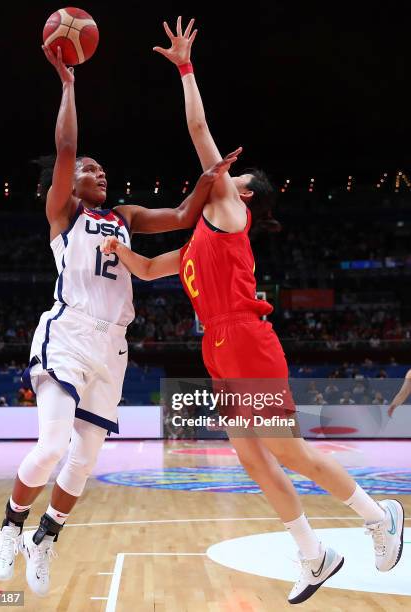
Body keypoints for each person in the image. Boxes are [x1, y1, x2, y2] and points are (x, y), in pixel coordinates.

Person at [101, 17, 405, 605]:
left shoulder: (229, 215)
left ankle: (378, 516)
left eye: (229, 177)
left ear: (241, 195)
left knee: (286, 449)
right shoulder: (193, 249)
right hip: (217, 347)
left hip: (245, 339)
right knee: (252, 459)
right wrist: (118, 248)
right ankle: (314, 555)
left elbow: (196, 126)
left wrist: (186, 67)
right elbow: (145, 269)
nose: (220, 178)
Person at [0, 43, 239, 596]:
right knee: (52, 446)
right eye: (88, 170)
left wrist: (208, 177)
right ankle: (10, 527)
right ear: (69, 184)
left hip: (113, 348)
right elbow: (67, 145)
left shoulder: (121, 217)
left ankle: (45, 537)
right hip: (69, 332)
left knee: (83, 462)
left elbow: (178, 216)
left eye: (102, 169)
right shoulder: (63, 215)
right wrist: (70, 87)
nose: (98, 172)